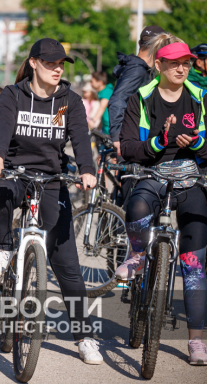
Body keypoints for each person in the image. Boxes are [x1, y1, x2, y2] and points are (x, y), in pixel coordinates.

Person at [0, 38, 103, 364]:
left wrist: (87, 170)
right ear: (34, 63)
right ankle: (3, 246)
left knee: (68, 266)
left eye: (61, 64)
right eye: (50, 63)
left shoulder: (70, 100)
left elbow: (80, 138)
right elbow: (3, 128)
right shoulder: (13, 94)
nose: (57, 69)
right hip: (15, 172)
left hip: (51, 179)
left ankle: (84, 337)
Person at [116, 35, 207, 365]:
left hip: (190, 178)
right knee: (137, 205)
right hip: (152, 173)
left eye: (186, 63)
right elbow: (128, 147)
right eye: (174, 63)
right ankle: (138, 254)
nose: (182, 68)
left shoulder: (200, 97)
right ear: (159, 65)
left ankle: (196, 341)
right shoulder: (141, 97)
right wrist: (159, 140)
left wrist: (197, 144)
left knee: (194, 267)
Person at [108, 25, 165, 156]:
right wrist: (117, 137)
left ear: (139, 43)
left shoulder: (142, 69)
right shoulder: (137, 70)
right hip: (130, 139)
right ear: (159, 47)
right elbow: (118, 100)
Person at [89, 71, 113, 135]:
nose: (90, 83)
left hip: (111, 128)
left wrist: (93, 121)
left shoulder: (107, 91)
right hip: (105, 128)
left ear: (100, 82)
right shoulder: (102, 92)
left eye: (92, 81)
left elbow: (102, 107)